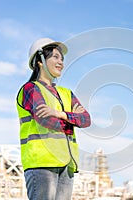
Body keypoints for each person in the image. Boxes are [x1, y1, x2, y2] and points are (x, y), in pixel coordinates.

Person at [16, 38, 91, 200]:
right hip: (42, 164)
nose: (61, 62)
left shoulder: (66, 93)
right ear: (40, 61)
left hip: (67, 164)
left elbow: (86, 120)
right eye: (55, 57)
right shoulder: (31, 89)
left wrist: (60, 114)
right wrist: (73, 117)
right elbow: (46, 121)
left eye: (62, 59)